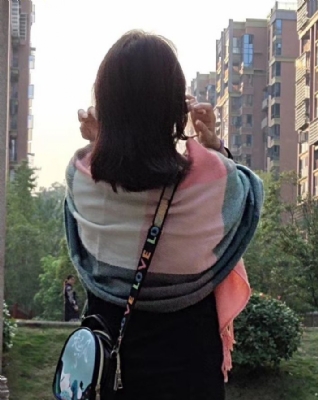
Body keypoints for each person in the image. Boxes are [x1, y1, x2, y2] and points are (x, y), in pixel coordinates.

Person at [65, 30, 263, 400]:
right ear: (176, 106)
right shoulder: (216, 179)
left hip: (108, 372)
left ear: (105, 103)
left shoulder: (80, 175)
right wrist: (214, 147)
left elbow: (84, 243)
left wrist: (99, 140)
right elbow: (246, 197)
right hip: (190, 374)